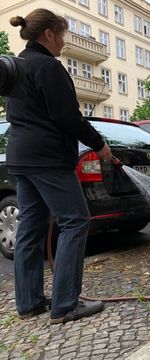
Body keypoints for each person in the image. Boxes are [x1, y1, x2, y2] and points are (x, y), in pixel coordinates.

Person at [7, 9, 113, 324]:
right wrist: (99, 144)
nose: (64, 43)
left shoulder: (16, 65)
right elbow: (67, 117)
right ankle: (66, 304)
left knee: (30, 227)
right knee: (76, 220)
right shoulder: (48, 67)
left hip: (22, 157)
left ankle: (29, 303)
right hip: (48, 158)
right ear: (50, 34)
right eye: (63, 35)